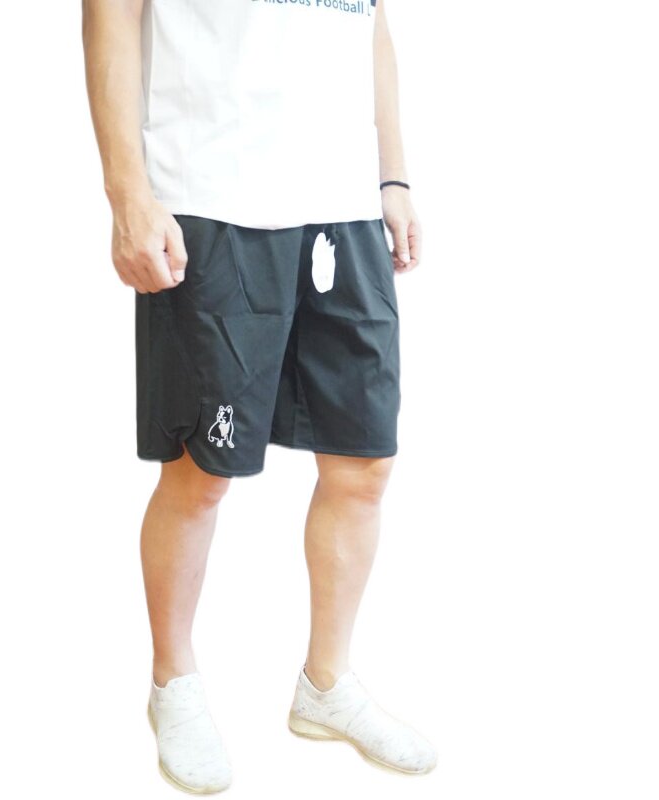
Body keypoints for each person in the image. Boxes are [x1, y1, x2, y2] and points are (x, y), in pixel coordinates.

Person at [82, 0, 436, 792]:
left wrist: (392, 174)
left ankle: (326, 686)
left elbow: (371, 23)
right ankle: (173, 684)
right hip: (212, 193)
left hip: (342, 208)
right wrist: (127, 194)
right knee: (201, 471)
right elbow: (111, 10)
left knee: (363, 465)